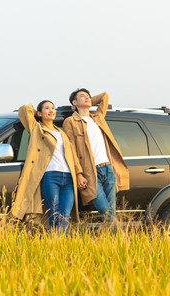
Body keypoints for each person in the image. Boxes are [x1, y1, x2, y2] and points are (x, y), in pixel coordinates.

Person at [10, 101, 80, 232]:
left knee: (64, 216)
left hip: (69, 178)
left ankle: (60, 246)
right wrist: (35, 111)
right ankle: (56, 244)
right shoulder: (36, 129)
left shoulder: (62, 133)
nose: (51, 111)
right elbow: (24, 110)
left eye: (53, 108)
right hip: (51, 177)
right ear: (39, 113)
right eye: (47, 108)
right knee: (54, 215)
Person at [62, 89, 129, 226]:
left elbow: (105, 96)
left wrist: (87, 102)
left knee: (111, 211)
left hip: (108, 169)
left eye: (88, 96)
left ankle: (111, 242)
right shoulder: (70, 122)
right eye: (82, 96)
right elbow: (71, 150)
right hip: (90, 172)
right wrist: (79, 174)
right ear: (74, 102)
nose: (87, 98)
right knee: (106, 211)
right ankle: (121, 240)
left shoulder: (98, 117)